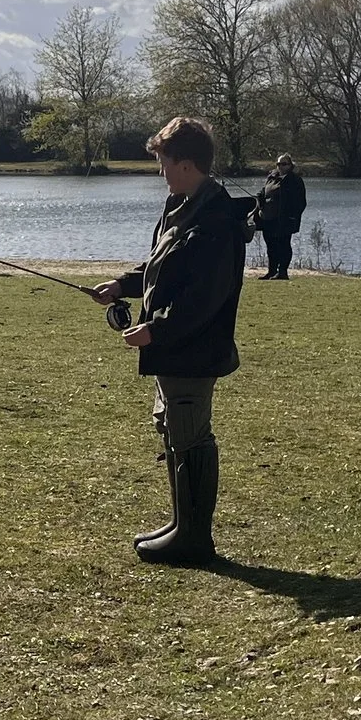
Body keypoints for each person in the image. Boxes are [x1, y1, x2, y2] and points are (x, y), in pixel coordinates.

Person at [89, 116, 247, 567]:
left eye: (162, 161)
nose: (159, 170)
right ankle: (182, 525)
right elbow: (162, 270)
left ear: (186, 165)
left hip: (193, 352)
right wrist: (121, 285)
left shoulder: (216, 221)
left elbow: (202, 301)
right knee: (174, 432)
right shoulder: (182, 207)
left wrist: (156, 329)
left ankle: (196, 540)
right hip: (173, 352)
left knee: (192, 437)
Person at [251, 155, 306, 280]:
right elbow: (264, 191)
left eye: (284, 164)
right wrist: (259, 198)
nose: (280, 166)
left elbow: (300, 202)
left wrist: (292, 216)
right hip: (267, 218)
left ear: (291, 165)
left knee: (284, 245)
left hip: (284, 219)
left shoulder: (294, 180)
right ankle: (271, 271)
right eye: (278, 164)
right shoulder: (271, 177)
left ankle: (282, 272)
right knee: (271, 245)